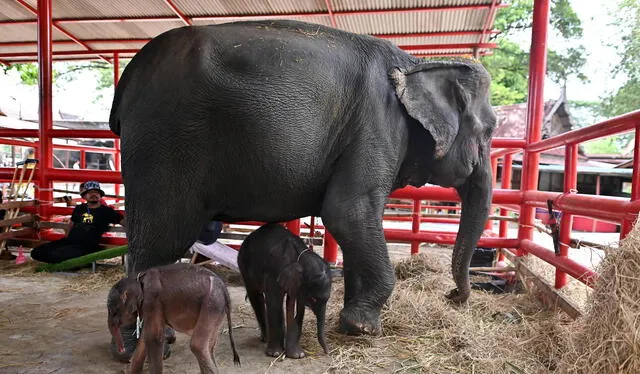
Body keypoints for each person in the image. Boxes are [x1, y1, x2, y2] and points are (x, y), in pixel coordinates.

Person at [31, 181, 124, 264]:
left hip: (86, 246)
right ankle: (71, 260)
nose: (94, 194)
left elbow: (124, 221)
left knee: (55, 255)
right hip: (70, 241)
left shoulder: (107, 211)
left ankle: (76, 262)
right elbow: (71, 224)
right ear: (84, 196)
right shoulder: (79, 208)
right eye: (90, 192)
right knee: (36, 252)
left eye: (97, 192)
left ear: (100, 196)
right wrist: (67, 238)